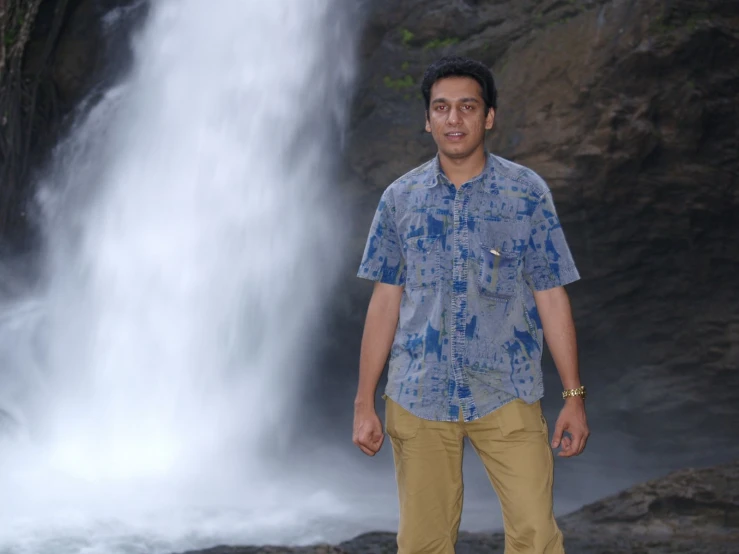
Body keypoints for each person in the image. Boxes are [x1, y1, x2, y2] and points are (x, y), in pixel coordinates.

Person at [352, 56, 590, 554]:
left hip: (507, 390)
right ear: (427, 119)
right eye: (441, 108)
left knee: (536, 537)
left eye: (467, 106)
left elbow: (550, 292)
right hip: (418, 395)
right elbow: (384, 302)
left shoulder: (526, 194)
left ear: (489, 117)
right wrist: (363, 402)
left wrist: (574, 397)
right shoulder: (400, 199)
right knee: (422, 544)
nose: (453, 118)